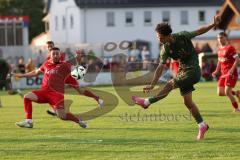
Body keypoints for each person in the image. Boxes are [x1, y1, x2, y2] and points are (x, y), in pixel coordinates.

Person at [132, 15, 221, 140]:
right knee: (188, 103)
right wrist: (152, 84)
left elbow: (200, 31)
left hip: (194, 70)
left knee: (169, 84)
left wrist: (213, 25)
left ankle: (147, 102)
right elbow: (160, 67)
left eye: (160, 37)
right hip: (182, 72)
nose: (159, 40)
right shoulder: (165, 49)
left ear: (169, 35)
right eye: (158, 37)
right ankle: (202, 125)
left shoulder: (182, 36)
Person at [15, 47, 87, 128]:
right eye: (54, 54)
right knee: (27, 97)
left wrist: (79, 60)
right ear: (50, 55)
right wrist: (22, 75)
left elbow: (77, 69)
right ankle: (29, 121)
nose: (56, 55)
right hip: (44, 93)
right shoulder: (46, 64)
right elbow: (36, 72)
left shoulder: (64, 65)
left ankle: (78, 120)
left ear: (60, 55)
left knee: (62, 116)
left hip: (56, 95)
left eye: (57, 54)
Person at [45, 42, 103, 116]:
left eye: (51, 46)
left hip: (67, 76)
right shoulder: (48, 58)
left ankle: (97, 99)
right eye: (48, 47)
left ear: (53, 46)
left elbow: (68, 63)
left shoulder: (60, 54)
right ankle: (55, 109)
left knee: (80, 91)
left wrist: (77, 59)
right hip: (58, 77)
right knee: (49, 92)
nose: (49, 48)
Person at [212, 32, 240, 112]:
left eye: (221, 37)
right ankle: (237, 93)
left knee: (227, 92)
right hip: (223, 74)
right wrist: (216, 70)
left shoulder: (230, 48)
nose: (219, 39)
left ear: (226, 38)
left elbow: (237, 59)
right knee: (220, 93)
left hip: (231, 73)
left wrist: (232, 69)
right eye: (218, 38)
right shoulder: (220, 49)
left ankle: (236, 109)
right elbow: (219, 61)